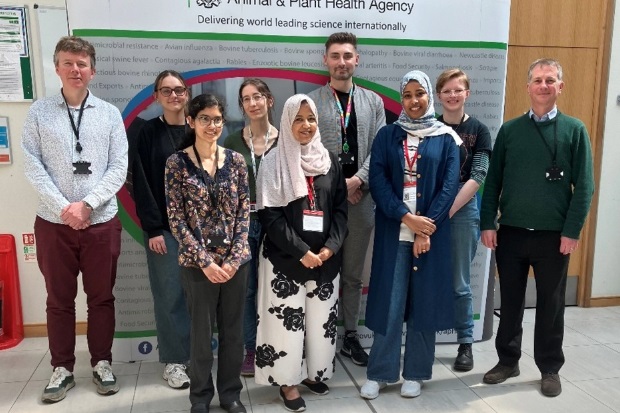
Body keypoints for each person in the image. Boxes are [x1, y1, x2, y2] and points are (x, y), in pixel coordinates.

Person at [21, 36, 127, 403]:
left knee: (101, 299)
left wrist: (88, 205)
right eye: (68, 63)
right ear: (57, 68)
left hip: (101, 222)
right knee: (58, 300)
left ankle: (102, 363)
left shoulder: (110, 114)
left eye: (82, 64)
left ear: (92, 71)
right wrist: (64, 207)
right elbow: (32, 165)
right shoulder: (38, 112)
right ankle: (62, 368)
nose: (75, 70)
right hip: (53, 223)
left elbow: (118, 168)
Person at [480, 58, 594, 397]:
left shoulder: (575, 130)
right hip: (511, 232)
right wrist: (488, 222)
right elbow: (493, 181)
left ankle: (549, 368)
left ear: (560, 87)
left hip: (553, 237)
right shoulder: (510, 131)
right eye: (538, 80)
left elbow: (584, 186)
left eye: (550, 80)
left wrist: (571, 231)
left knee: (551, 304)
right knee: (511, 302)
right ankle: (508, 361)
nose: (543, 86)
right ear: (527, 87)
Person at [360, 71, 460, 400]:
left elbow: (449, 187)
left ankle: (416, 372)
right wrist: (407, 218)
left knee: (423, 304)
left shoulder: (446, 138)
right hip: (394, 231)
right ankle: (380, 372)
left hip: (430, 236)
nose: (414, 101)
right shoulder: (387, 136)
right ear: (401, 99)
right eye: (407, 95)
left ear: (429, 96)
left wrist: (425, 226)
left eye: (420, 94)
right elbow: (378, 181)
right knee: (390, 302)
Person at [255, 94, 348, 412]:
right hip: (285, 261)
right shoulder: (273, 161)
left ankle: (313, 374)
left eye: (311, 119)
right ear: (286, 122)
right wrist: (301, 252)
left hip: (325, 260)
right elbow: (270, 216)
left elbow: (340, 210)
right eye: (298, 119)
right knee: (286, 325)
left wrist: (330, 247)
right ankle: (287, 382)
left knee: (321, 322)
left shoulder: (329, 160)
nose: (306, 125)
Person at [165, 94, 251, 413]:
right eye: (204, 118)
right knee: (201, 336)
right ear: (191, 121)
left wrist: (230, 261)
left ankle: (230, 394)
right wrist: (205, 262)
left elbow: (244, 213)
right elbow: (176, 219)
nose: (211, 125)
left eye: (217, 119)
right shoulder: (176, 163)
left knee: (233, 333)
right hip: (196, 265)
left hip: (235, 265)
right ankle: (200, 396)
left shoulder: (236, 161)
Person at [308, 32, 386, 366]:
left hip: (362, 201)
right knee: (321, 270)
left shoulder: (374, 102)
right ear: (325, 60)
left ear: (357, 60)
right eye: (336, 56)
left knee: (353, 275)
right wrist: (341, 186)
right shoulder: (310, 103)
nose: (342, 62)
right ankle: (317, 337)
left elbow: (381, 149)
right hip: (322, 205)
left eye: (348, 56)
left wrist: (358, 181)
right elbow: (305, 152)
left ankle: (350, 335)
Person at [132, 70, 191, 389]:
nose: (173, 96)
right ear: (155, 96)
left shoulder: (200, 129)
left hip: (201, 233)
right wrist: (153, 228)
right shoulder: (146, 132)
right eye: (165, 91)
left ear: (187, 93)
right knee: (170, 296)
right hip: (164, 231)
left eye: (179, 90)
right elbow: (140, 182)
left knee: (200, 297)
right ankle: (175, 361)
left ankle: (198, 355)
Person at [435, 68, 492, 371]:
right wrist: (436, 210)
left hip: (463, 206)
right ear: (439, 95)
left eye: (458, 90)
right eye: (447, 90)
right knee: (428, 278)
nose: (453, 95)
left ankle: (465, 343)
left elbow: (479, 174)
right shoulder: (429, 127)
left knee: (460, 282)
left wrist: (448, 209)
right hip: (430, 209)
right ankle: (422, 336)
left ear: (467, 94)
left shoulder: (479, 130)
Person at [223, 78, 278, 376]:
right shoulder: (231, 143)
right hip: (243, 225)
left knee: (275, 289)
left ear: (269, 100)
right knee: (246, 290)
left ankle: (278, 344)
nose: (253, 103)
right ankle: (250, 349)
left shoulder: (285, 140)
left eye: (258, 96)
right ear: (242, 107)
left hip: (276, 223)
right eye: (246, 99)